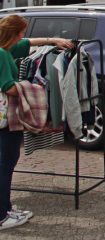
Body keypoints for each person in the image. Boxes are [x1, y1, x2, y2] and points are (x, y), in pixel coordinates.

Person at [0, 14, 72, 230]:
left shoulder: (5, 49)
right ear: (14, 33)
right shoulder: (3, 55)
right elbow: (8, 87)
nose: (24, 35)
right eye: (22, 31)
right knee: (5, 164)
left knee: (6, 162)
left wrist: (52, 41)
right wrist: (34, 89)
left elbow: (30, 43)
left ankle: (6, 206)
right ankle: (2, 215)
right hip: (6, 120)